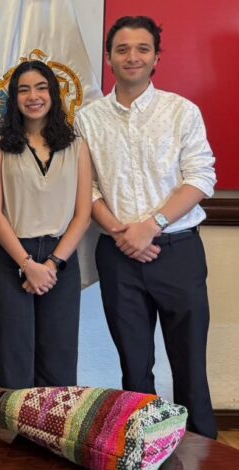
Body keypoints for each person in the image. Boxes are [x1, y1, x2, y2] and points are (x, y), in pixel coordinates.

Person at [77, 16, 217, 438]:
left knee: (190, 366)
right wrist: (123, 233)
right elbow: (87, 188)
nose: (132, 57)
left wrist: (151, 225)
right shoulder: (87, 119)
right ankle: (144, 450)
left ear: (156, 57)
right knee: (134, 367)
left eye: (142, 49)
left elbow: (201, 177)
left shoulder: (181, 111)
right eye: (122, 49)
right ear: (108, 58)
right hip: (118, 256)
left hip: (178, 252)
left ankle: (203, 451)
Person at [0, 60, 92, 389]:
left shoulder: (76, 146)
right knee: (11, 360)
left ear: (54, 94)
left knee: (59, 362)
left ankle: (53, 425)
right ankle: (10, 425)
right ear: (14, 98)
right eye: (24, 90)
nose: (33, 97)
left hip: (60, 259)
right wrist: (27, 264)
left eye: (41, 88)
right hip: (11, 257)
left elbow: (83, 214)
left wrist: (52, 264)